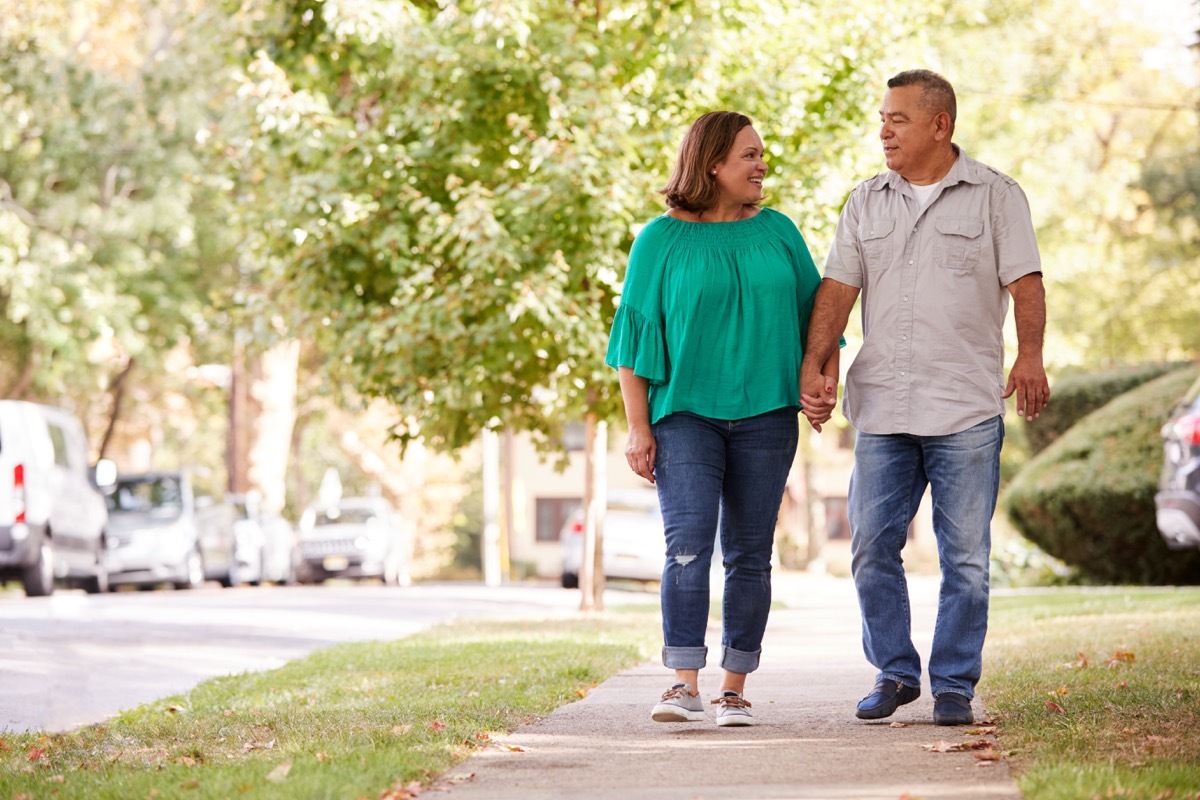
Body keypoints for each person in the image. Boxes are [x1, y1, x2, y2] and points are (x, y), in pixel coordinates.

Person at [800, 69, 1049, 726]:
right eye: (883, 118)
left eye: (899, 119)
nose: (884, 129)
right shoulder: (866, 202)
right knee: (870, 545)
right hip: (883, 406)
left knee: (965, 556)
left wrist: (1030, 355)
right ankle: (894, 671)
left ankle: (956, 684)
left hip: (965, 407)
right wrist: (816, 362)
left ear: (941, 125)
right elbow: (837, 291)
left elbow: (1026, 283)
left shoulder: (997, 196)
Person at [606, 111, 839, 727]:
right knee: (686, 548)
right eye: (749, 156)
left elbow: (819, 320)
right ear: (712, 165)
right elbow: (634, 338)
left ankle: (733, 689)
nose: (762, 165)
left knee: (750, 554)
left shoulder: (779, 233)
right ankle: (683, 683)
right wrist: (638, 427)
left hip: (766, 414)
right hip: (684, 416)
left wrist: (820, 381)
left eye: (762, 155)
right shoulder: (659, 240)